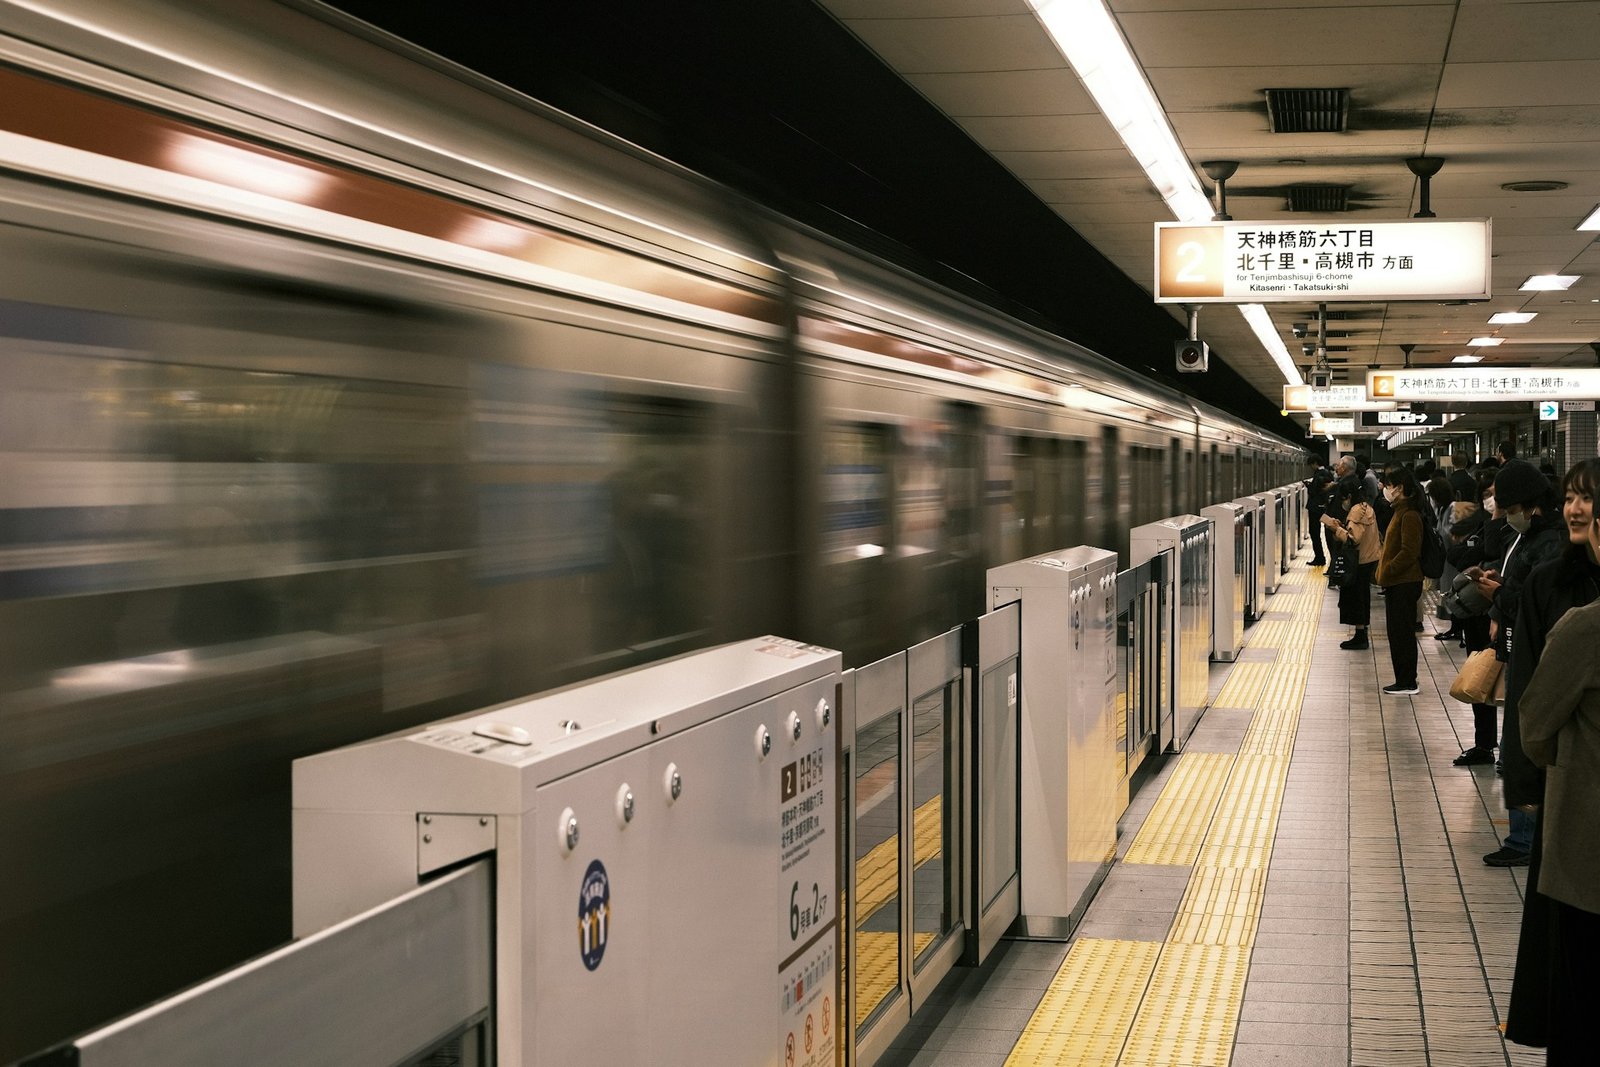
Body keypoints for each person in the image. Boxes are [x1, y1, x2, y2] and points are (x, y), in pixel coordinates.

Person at [1496, 457, 1600, 1050]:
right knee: (1565, 948)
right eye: (1569, 497)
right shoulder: (1549, 583)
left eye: (1587, 499)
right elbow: (1529, 700)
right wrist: (1526, 785)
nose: (1575, 508)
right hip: (1570, 791)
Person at [1475, 459, 1566, 867]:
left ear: (1529, 506)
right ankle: (1523, 836)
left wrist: (1497, 595)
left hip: (1535, 653)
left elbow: (1533, 603)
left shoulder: (1549, 543)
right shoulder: (1532, 540)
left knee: (1523, 738)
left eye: (1509, 508)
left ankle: (1523, 840)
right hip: (1519, 646)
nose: (1505, 515)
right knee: (1517, 737)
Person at [1445, 474, 1500, 767]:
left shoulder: (1506, 529)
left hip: (1500, 613)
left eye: (1496, 494)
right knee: (1481, 675)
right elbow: (1455, 552)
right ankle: (1485, 743)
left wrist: (1475, 553)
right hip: (1480, 614)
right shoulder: (1483, 521)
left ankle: (1503, 746)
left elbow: (1484, 552)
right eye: (1488, 494)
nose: (1492, 500)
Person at [1375, 466, 1424, 695]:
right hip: (1398, 582)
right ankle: (1403, 679)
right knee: (1397, 633)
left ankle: (1407, 681)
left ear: (1400, 487)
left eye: (1390, 484)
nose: (1386, 489)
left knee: (1402, 633)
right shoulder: (1400, 511)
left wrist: (1388, 570)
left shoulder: (1410, 514)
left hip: (1404, 582)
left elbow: (1409, 551)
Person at [1323, 476, 1379, 649]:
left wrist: (1336, 529)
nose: (1343, 503)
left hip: (1359, 560)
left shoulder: (1355, 511)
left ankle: (1360, 637)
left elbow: (1353, 539)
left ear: (1348, 496)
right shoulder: (1366, 507)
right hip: (1370, 557)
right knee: (1362, 597)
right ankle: (1361, 633)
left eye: (1343, 499)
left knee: (1356, 599)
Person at [1304, 456, 1334, 567]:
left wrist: (1309, 486)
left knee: (1314, 533)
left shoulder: (1319, 474)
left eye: (1311, 465)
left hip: (1315, 508)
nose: (1311, 467)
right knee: (1328, 532)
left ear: (1315, 462)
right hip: (1324, 507)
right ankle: (1326, 558)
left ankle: (1320, 558)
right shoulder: (1328, 473)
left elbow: (1314, 491)